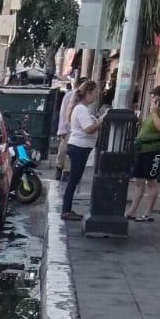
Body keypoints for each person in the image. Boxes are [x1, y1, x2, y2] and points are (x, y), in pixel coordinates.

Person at [128, 83, 160, 222]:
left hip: (154, 150)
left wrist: (154, 113)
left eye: (154, 96)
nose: (151, 98)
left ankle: (148, 213)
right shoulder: (153, 110)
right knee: (139, 181)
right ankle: (132, 211)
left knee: (151, 181)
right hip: (142, 149)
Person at [60, 80, 101, 223]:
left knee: (74, 180)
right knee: (73, 180)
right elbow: (88, 129)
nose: (96, 96)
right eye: (95, 93)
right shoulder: (81, 109)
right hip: (79, 147)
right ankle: (66, 210)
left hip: (80, 147)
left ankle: (67, 209)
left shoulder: (81, 108)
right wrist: (101, 121)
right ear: (88, 94)